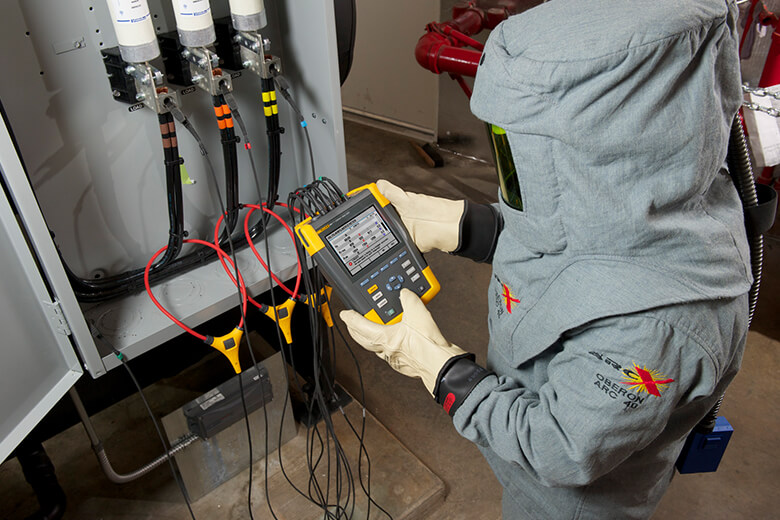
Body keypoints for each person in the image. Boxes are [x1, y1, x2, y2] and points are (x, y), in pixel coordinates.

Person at [339, 0, 752, 518]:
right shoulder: (655, 188)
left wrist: (437, 367)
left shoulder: (662, 328)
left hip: (566, 503)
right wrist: (460, 224)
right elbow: (571, 227)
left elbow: (553, 449)